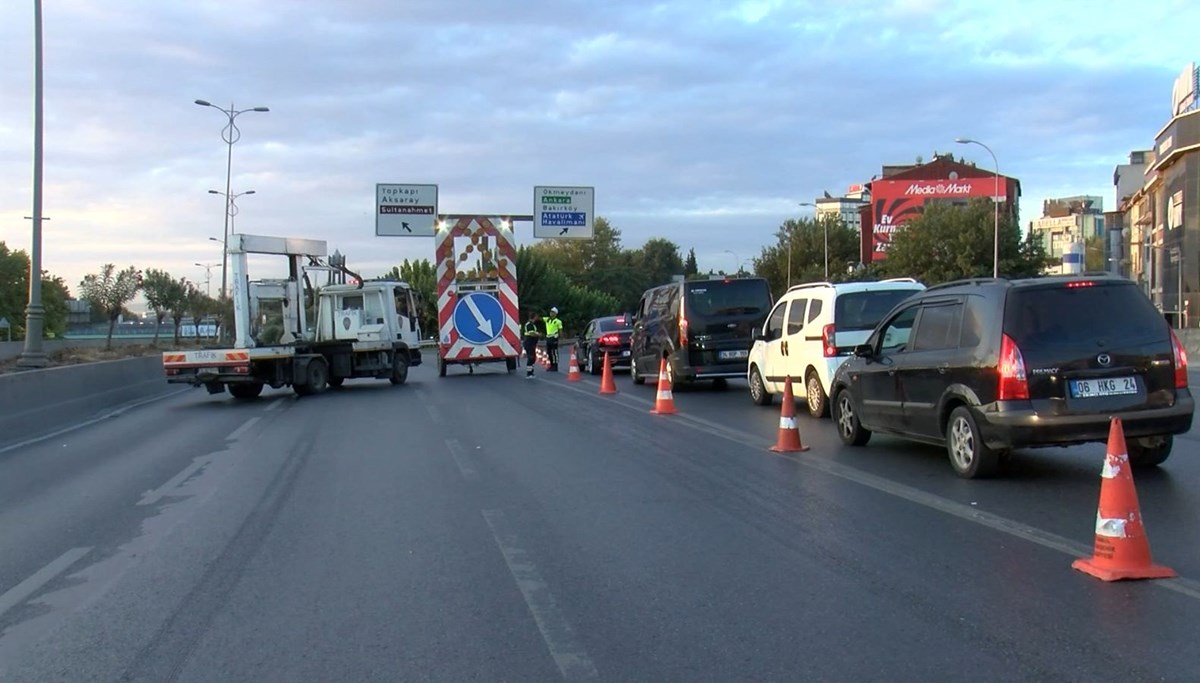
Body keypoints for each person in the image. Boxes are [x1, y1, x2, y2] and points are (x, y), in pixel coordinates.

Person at [522, 311, 542, 378]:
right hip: (529, 343)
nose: (537, 318)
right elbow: (531, 333)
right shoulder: (529, 324)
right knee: (531, 358)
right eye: (536, 316)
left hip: (532, 343)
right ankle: (529, 373)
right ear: (534, 317)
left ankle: (531, 372)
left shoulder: (532, 324)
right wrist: (538, 334)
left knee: (533, 358)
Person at [544, 306, 563, 371]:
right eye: (551, 312)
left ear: (555, 314)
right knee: (549, 352)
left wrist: (560, 339)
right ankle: (551, 365)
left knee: (554, 352)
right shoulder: (547, 319)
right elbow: (539, 318)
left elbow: (560, 330)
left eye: (553, 312)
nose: (551, 313)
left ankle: (555, 366)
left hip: (554, 338)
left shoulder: (558, 321)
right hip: (548, 337)